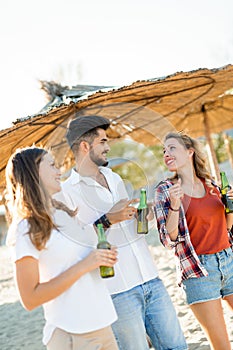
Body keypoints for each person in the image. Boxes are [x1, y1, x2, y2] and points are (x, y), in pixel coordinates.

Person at [54, 115, 188, 350]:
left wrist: (139, 215)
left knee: (177, 347)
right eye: (103, 141)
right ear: (85, 146)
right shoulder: (66, 193)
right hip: (116, 292)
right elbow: (72, 243)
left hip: (150, 278)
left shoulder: (114, 178)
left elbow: (124, 219)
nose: (108, 147)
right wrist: (107, 219)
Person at [5, 146, 119, 350]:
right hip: (72, 334)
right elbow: (30, 298)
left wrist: (101, 258)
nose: (59, 171)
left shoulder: (64, 214)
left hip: (103, 323)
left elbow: (80, 263)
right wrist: (85, 265)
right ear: (33, 172)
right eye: (52, 165)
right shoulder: (26, 227)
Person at [154, 131, 233, 350]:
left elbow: (226, 227)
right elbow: (168, 239)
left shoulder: (212, 185)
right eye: (164, 151)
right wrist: (175, 204)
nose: (166, 154)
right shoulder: (165, 190)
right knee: (222, 345)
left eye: (172, 148)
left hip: (229, 260)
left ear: (190, 152)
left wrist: (231, 206)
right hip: (198, 271)